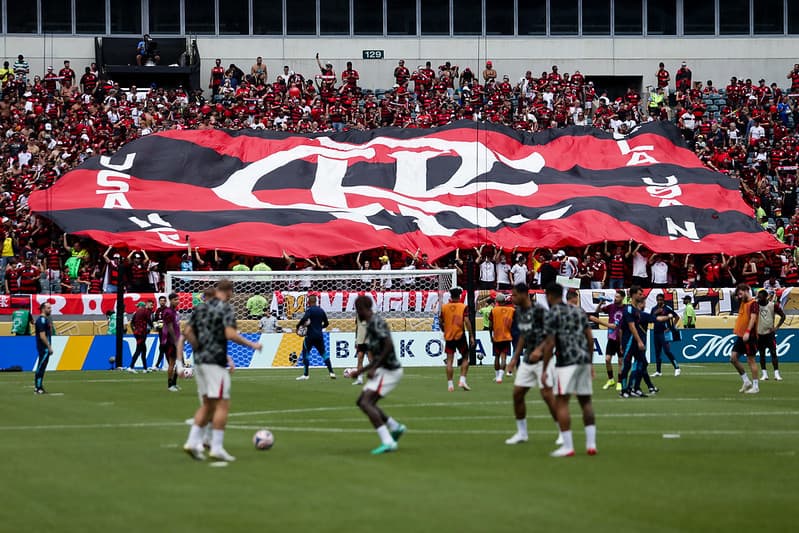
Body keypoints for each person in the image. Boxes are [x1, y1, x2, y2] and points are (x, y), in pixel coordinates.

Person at [182, 280, 263, 462]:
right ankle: (216, 447)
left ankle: (192, 442)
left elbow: (187, 332)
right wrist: (252, 345)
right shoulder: (225, 308)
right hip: (215, 362)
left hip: (200, 361)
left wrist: (199, 347)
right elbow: (230, 334)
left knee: (208, 404)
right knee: (222, 404)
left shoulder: (200, 308)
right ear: (229, 292)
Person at [540, 284, 596, 457]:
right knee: (586, 402)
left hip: (566, 362)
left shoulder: (552, 314)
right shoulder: (578, 311)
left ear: (550, 296)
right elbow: (590, 339)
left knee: (562, 402)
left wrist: (544, 369)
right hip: (583, 361)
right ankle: (591, 445)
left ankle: (568, 446)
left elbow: (550, 343)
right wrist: (590, 363)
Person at [347, 295, 406, 455]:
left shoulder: (375, 323)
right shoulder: (370, 324)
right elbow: (378, 354)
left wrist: (375, 368)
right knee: (362, 401)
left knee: (367, 403)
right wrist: (360, 371)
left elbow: (388, 346)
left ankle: (388, 442)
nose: (356, 313)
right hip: (384, 369)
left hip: (390, 371)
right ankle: (395, 427)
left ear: (361, 309)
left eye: (357, 309)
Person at [504, 283, 560, 446]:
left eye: (514, 295)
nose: (512, 298)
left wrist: (539, 349)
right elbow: (523, 334)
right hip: (528, 359)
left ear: (524, 295)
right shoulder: (519, 312)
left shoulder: (540, 311)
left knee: (547, 395)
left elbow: (552, 334)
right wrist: (515, 358)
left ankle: (563, 432)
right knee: (517, 394)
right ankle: (522, 433)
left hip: (543, 359)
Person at [440, 287, 476, 392]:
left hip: (449, 336)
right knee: (465, 358)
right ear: (459, 296)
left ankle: (450, 385)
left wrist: (444, 330)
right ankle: (462, 380)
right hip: (460, 335)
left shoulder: (444, 307)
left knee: (449, 360)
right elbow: (467, 321)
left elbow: (441, 322)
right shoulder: (463, 307)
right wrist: (471, 335)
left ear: (450, 296)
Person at [295, 294, 335, 380]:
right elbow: (327, 323)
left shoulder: (309, 311)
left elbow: (304, 318)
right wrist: (320, 327)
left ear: (309, 302)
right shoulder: (321, 310)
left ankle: (306, 375)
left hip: (310, 336)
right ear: (316, 301)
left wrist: (298, 326)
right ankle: (331, 372)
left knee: (306, 353)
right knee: (324, 354)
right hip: (319, 336)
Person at [730, 284, 760, 394]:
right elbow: (733, 296)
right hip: (741, 335)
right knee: (733, 358)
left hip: (750, 336)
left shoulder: (754, 304)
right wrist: (738, 291)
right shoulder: (743, 301)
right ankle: (746, 381)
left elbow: (753, 319)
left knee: (750, 360)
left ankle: (756, 386)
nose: (739, 296)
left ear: (747, 291)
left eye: (741, 293)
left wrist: (747, 332)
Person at [755, 289, 785, 382]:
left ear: (765, 297)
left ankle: (776, 373)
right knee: (762, 354)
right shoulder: (755, 306)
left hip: (769, 334)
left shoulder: (772, 306)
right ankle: (764, 374)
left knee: (773, 353)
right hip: (759, 334)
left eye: (760, 297)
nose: (758, 299)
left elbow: (783, 316)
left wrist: (776, 327)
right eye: (758, 297)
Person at [597, 291, 625, 391]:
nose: (615, 298)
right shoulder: (611, 307)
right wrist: (601, 302)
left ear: (622, 298)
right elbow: (597, 311)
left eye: (617, 297)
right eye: (615, 296)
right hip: (612, 337)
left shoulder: (625, 309)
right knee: (607, 359)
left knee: (620, 361)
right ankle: (611, 379)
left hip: (621, 339)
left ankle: (620, 382)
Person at [651, 294, 681, 377]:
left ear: (663, 300)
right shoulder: (654, 309)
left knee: (667, 351)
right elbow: (651, 319)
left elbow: (677, 317)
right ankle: (658, 371)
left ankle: (677, 367)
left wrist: (671, 327)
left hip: (664, 333)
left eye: (661, 300)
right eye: (658, 300)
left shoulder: (667, 309)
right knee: (657, 352)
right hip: (656, 332)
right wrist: (655, 313)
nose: (659, 301)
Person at [488, 293, 514, 384]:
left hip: (497, 336)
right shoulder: (511, 310)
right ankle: (500, 377)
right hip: (507, 336)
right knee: (504, 357)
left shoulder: (494, 310)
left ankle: (497, 376)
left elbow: (490, 325)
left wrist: (490, 336)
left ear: (497, 301)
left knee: (496, 356)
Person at [162, 293, 181, 392]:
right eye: (175, 299)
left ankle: (174, 383)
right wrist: (175, 341)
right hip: (170, 341)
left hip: (177, 340)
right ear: (170, 300)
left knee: (179, 362)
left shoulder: (175, 312)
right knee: (172, 363)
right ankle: (170, 385)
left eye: (178, 299)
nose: (177, 301)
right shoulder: (168, 312)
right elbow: (170, 327)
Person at [34, 302, 53, 394]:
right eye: (48, 308)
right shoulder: (41, 320)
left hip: (44, 348)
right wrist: (49, 347)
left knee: (42, 366)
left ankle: (38, 386)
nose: (50, 310)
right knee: (41, 367)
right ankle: (38, 387)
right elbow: (42, 336)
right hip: (43, 348)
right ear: (43, 309)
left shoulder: (45, 319)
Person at [128, 301, 152, 373]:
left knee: (143, 349)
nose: (137, 307)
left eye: (138, 306)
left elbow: (132, 323)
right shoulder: (146, 311)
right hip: (142, 333)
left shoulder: (136, 313)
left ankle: (145, 368)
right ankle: (131, 367)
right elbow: (149, 320)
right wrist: (153, 326)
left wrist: (134, 330)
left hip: (137, 332)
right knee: (138, 349)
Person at [352, 310, 371, 386]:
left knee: (371, 359)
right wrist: (356, 339)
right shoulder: (358, 314)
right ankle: (360, 379)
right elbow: (357, 327)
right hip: (360, 340)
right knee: (360, 358)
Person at [152, 295, 168, 370]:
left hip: (167, 333)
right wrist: (156, 325)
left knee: (164, 348)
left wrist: (162, 322)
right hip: (161, 333)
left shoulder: (168, 310)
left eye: (163, 300)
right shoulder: (157, 310)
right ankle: (158, 365)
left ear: (165, 302)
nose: (162, 302)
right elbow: (155, 320)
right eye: (160, 300)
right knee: (163, 348)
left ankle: (157, 365)